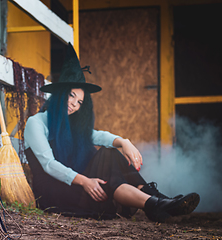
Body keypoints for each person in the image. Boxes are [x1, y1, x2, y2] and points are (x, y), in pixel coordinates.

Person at [23, 43, 200, 222]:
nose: (74, 104)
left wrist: (124, 142)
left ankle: (156, 203)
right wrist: (85, 181)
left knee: (110, 154)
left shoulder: (68, 124)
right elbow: (48, 164)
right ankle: (159, 202)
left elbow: (96, 135)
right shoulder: (35, 123)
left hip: (75, 185)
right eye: (71, 95)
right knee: (108, 160)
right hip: (54, 193)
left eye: (80, 102)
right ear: (60, 93)